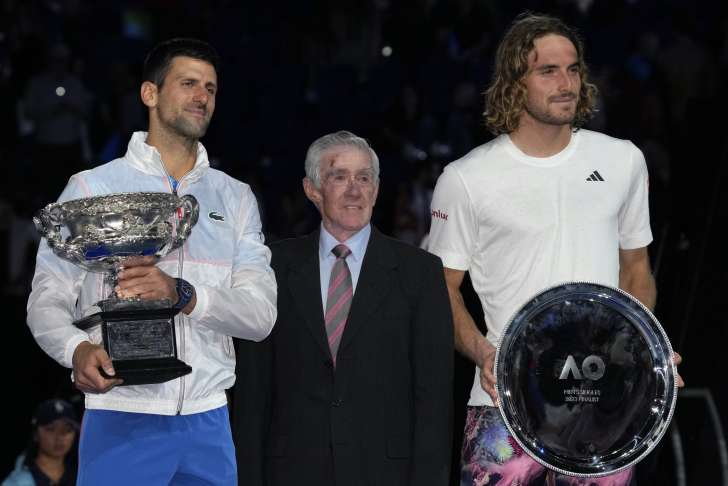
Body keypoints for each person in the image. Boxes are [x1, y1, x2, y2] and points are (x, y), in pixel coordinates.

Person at [426, 13, 684, 486]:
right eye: (548, 71)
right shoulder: (466, 179)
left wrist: (643, 344)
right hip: (503, 404)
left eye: (573, 69)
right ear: (513, 83)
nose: (566, 83)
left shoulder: (622, 160)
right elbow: (441, 287)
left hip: (602, 402)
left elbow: (636, 269)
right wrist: (483, 351)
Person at [26, 38, 277, 486]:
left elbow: (260, 317)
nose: (202, 97)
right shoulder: (90, 188)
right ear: (150, 93)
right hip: (122, 414)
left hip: (209, 421)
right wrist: (76, 350)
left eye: (211, 88)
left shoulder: (234, 197)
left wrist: (182, 294)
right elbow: (45, 299)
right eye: (187, 84)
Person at [234, 130, 454, 486]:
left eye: (364, 177)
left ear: (377, 189)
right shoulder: (272, 268)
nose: (355, 189)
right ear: (312, 189)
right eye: (339, 176)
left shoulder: (420, 272)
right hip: (291, 471)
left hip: (387, 473)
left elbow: (434, 399)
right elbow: (253, 393)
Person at [2, 398, 79, 486]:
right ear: (35, 434)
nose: (59, 437)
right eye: (51, 429)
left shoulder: (82, 477)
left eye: (67, 430)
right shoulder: (17, 483)